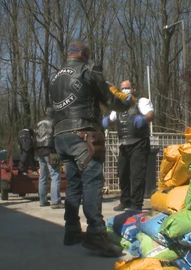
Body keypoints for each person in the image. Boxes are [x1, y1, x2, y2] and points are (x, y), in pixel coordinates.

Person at [50, 40, 131, 257]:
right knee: (92, 181)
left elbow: (52, 111)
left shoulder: (55, 77)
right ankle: (96, 233)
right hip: (83, 134)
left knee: (73, 184)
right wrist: (127, 103)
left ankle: (72, 230)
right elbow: (109, 97)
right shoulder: (88, 70)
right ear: (85, 55)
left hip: (61, 135)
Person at [102, 79, 154, 211]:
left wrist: (144, 118)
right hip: (124, 144)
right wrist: (107, 121)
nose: (124, 90)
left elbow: (150, 114)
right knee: (123, 173)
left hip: (139, 143)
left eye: (127, 87)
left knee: (137, 175)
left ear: (134, 88)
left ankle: (136, 204)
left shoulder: (142, 101)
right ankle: (125, 200)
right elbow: (112, 119)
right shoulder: (118, 106)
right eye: (122, 88)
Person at [35, 106, 64, 209]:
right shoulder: (54, 122)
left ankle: (42, 200)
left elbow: (37, 135)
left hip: (39, 150)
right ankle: (55, 201)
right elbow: (58, 136)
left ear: (45, 112)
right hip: (50, 151)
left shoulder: (38, 122)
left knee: (42, 176)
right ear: (53, 113)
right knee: (55, 175)